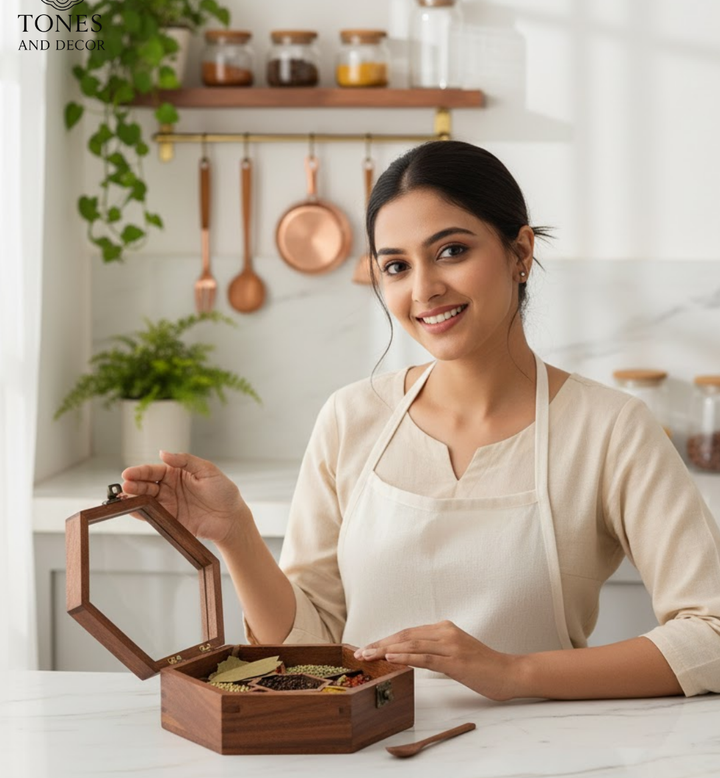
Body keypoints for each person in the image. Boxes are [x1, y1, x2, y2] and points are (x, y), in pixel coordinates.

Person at [121, 140, 720, 702]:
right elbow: (307, 648)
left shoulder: (611, 429)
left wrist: (514, 672)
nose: (425, 289)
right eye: (397, 267)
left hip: (541, 770)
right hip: (370, 764)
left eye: (452, 251)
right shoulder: (350, 418)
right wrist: (238, 536)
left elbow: (712, 633)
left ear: (520, 253)